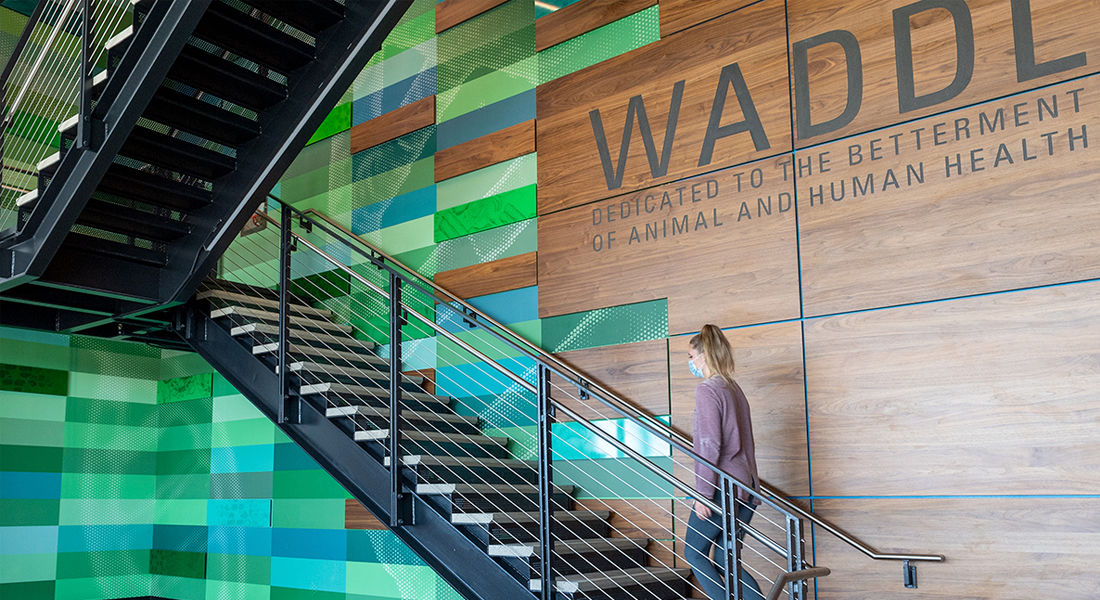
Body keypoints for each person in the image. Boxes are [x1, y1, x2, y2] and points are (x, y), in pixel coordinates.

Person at [684, 324, 764, 600]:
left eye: (691, 356)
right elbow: (748, 442)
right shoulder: (734, 389)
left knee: (693, 552)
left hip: (721, 488)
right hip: (745, 487)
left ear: (704, 356)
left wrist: (703, 494)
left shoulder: (708, 390)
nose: (690, 362)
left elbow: (709, 445)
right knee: (725, 559)